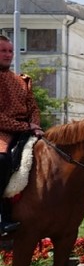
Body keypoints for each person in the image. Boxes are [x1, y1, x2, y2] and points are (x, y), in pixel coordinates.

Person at [0, 35, 43, 234]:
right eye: (3, 51)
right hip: (2, 132)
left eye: (10, 51)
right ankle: (2, 216)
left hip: (26, 129)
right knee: (1, 160)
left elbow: (33, 107)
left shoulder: (22, 81)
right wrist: (25, 126)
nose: (8, 54)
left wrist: (34, 125)